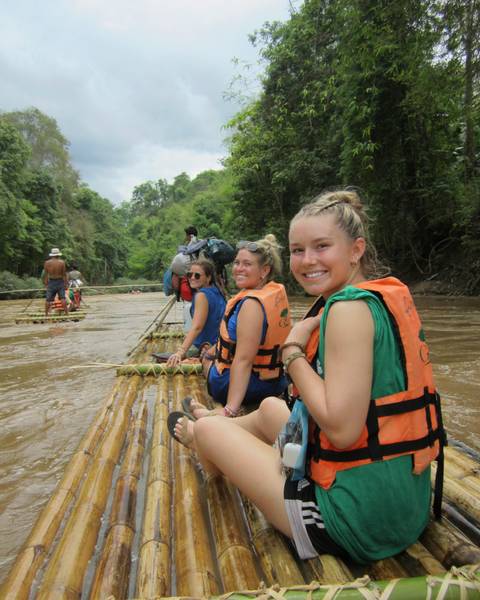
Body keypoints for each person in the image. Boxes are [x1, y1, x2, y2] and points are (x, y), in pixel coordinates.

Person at [169, 190, 445, 564]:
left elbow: (344, 431)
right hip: (406, 507)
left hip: (354, 520)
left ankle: (203, 437)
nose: (307, 260)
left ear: (356, 249)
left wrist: (292, 351)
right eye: (297, 250)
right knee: (269, 407)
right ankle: (212, 430)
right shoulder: (378, 297)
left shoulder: (347, 311)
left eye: (321, 246)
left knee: (209, 432)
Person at [184, 234, 292, 419]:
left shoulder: (251, 304)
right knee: (211, 355)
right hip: (275, 381)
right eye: (236, 263)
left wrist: (230, 410)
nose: (238, 269)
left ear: (264, 270)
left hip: (255, 384)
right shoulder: (270, 293)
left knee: (208, 362)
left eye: (247, 264)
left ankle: (226, 411)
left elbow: (243, 360)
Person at [165, 258, 226, 366]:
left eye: (197, 275)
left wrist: (181, 352)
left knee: (162, 358)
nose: (192, 278)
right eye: (189, 275)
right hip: (218, 345)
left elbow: (197, 327)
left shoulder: (202, 295)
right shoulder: (219, 291)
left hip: (205, 347)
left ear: (208, 278)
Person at [43, 247, 68, 316]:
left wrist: (46, 284)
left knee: (48, 299)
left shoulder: (47, 263)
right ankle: (66, 313)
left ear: (52, 255)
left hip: (51, 282)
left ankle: (46, 314)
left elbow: (45, 275)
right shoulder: (62, 262)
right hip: (60, 282)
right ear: (58, 255)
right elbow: (64, 274)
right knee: (63, 298)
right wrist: (66, 284)